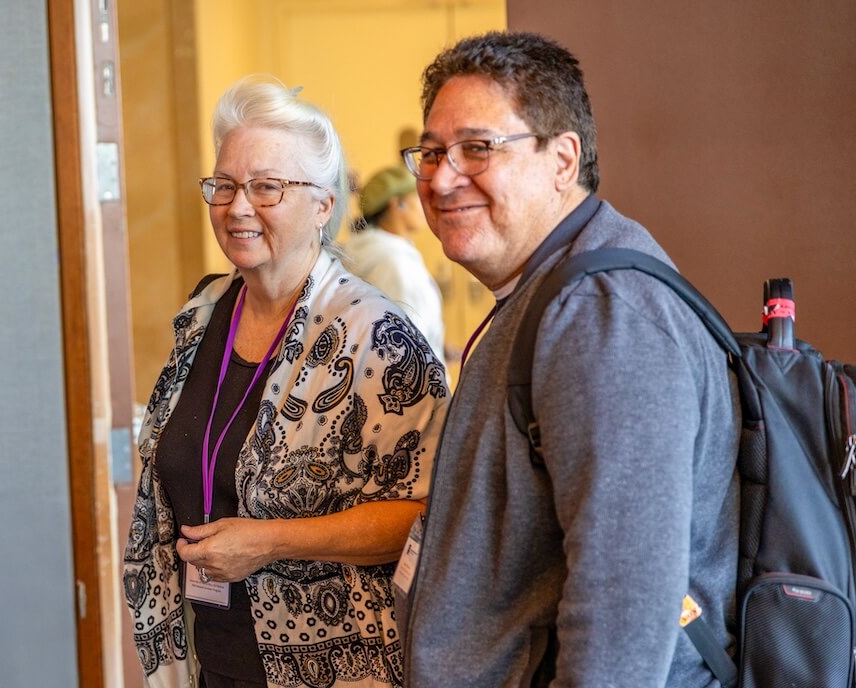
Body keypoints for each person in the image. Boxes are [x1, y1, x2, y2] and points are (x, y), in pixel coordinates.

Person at [399, 32, 738, 686]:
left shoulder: (602, 317)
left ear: (562, 160)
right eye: (433, 152)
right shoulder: (551, 291)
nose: (441, 177)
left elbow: (623, 605)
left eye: (477, 148)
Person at [123, 77, 450, 688]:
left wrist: (273, 541)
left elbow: (432, 512)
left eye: (267, 187)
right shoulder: (203, 313)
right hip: (212, 659)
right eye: (224, 186)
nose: (238, 206)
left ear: (324, 205)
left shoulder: (374, 336)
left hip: (339, 666)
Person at [346, 166, 447, 365]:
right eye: (417, 197)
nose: (427, 205)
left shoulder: (379, 255)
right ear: (398, 203)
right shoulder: (394, 265)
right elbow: (402, 349)